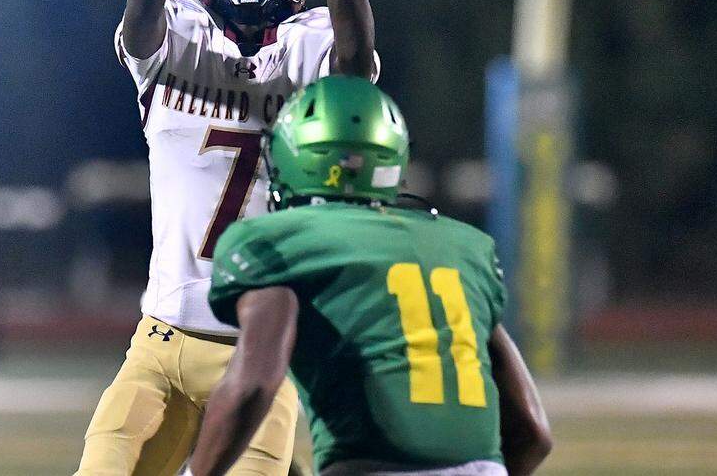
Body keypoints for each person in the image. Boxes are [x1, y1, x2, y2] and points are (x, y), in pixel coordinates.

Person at [75, 0, 380, 476]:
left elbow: (357, 50)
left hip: (257, 353)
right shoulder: (177, 34)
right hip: (157, 341)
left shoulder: (308, 47)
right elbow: (141, 13)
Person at [190, 76, 554, 476]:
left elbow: (253, 385)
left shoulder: (275, 241)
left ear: (293, 157)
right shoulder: (465, 248)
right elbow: (532, 431)